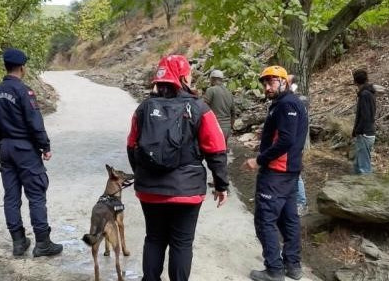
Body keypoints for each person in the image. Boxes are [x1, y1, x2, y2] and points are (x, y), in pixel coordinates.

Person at [127, 54, 229, 281]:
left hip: (149, 191)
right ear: (182, 77)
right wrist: (221, 185)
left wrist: (143, 174)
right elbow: (216, 149)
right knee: (181, 243)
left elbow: (132, 145)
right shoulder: (199, 108)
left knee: (153, 238)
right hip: (187, 190)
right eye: (190, 74)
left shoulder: (143, 109)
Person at [0, 48, 62, 257]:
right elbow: (34, 122)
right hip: (25, 149)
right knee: (36, 195)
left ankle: (18, 242)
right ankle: (43, 243)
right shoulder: (24, 91)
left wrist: (1, 144)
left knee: (11, 196)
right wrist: (45, 146)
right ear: (22, 67)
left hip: (6, 149)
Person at [242, 66, 308, 281]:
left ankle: (274, 270)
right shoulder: (289, 103)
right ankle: (293, 265)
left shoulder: (286, 104)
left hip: (277, 174)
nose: (267, 87)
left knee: (265, 220)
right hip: (289, 173)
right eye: (265, 83)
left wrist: (259, 159)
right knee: (289, 219)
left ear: (284, 82)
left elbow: (287, 140)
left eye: (272, 82)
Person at [287, 75, 308, 216]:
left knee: (296, 175)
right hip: (293, 146)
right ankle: (296, 201)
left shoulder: (298, 102)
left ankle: (301, 203)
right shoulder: (295, 101)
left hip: (295, 147)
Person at [351, 69, 376, 174]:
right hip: (368, 133)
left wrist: (358, 131)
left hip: (365, 134)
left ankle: (366, 188)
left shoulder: (364, 95)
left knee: (364, 169)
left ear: (355, 82)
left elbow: (365, 116)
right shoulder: (370, 93)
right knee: (357, 165)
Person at [203, 69, 235, 147]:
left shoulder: (211, 90)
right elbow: (233, 113)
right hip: (227, 129)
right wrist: (230, 126)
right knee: (223, 151)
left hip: (215, 127)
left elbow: (203, 107)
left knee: (214, 154)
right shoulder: (229, 93)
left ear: (212, 79)